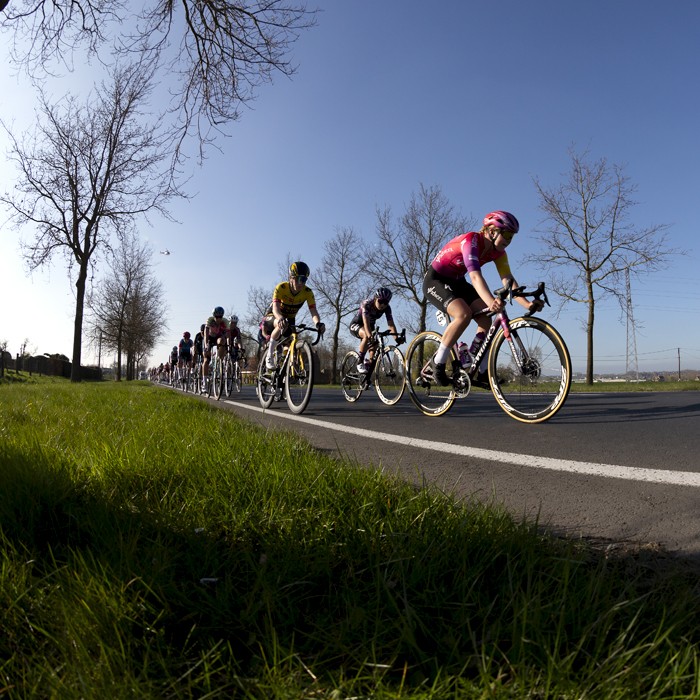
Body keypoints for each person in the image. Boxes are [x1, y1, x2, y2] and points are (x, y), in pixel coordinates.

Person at [423, 211, 544, 387]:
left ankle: (478, 368)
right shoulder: (471, 241)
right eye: (508, 234)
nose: (509, 241)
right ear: (492, 231)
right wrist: (491, 302)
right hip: (436, 280)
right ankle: (438, 363)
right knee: (463, 314)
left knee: (486, 318)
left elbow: (508, 280)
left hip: (458, 281)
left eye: (512, 236)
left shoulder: (499, 253)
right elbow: (475, 277)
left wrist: (528, 304)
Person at [261, 261, 325, 370]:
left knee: (291, 342)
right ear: (291, 278)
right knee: (280, 324)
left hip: (290, 318)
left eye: (304, 279)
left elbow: (313, 311)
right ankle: (269, 356)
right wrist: (280, 318)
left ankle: (284, 369)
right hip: (274, 315)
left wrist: (318, 323)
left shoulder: (308, 292)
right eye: (298, 279)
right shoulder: (281, 288)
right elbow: (275, 308)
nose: (301, 283)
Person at [349, 287, 400, 374]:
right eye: (380, 301)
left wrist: (396, 338)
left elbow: (391, 324)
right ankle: (360, 362)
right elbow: (366, 323)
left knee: (374, 352)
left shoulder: (387, 308)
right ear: (375, 298)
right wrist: (369, 335)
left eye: (386, 302)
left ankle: (366, 379)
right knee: (366, 335)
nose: (383, 305)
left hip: (370, 326)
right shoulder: (367, 304)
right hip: (358, 324)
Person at [203, 307, 230, 387]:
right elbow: (206, 334)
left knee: (222, 341)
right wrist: (206, 346)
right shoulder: (210, 320)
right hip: (210, 338)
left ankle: (219, 362)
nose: (218, 319)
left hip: (218, 337)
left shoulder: (225, 321)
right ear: (214, 316)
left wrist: (228, 346)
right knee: (206, 359)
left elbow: (228, 336)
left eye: (220, 317)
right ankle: (204, 383)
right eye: (217, 317)